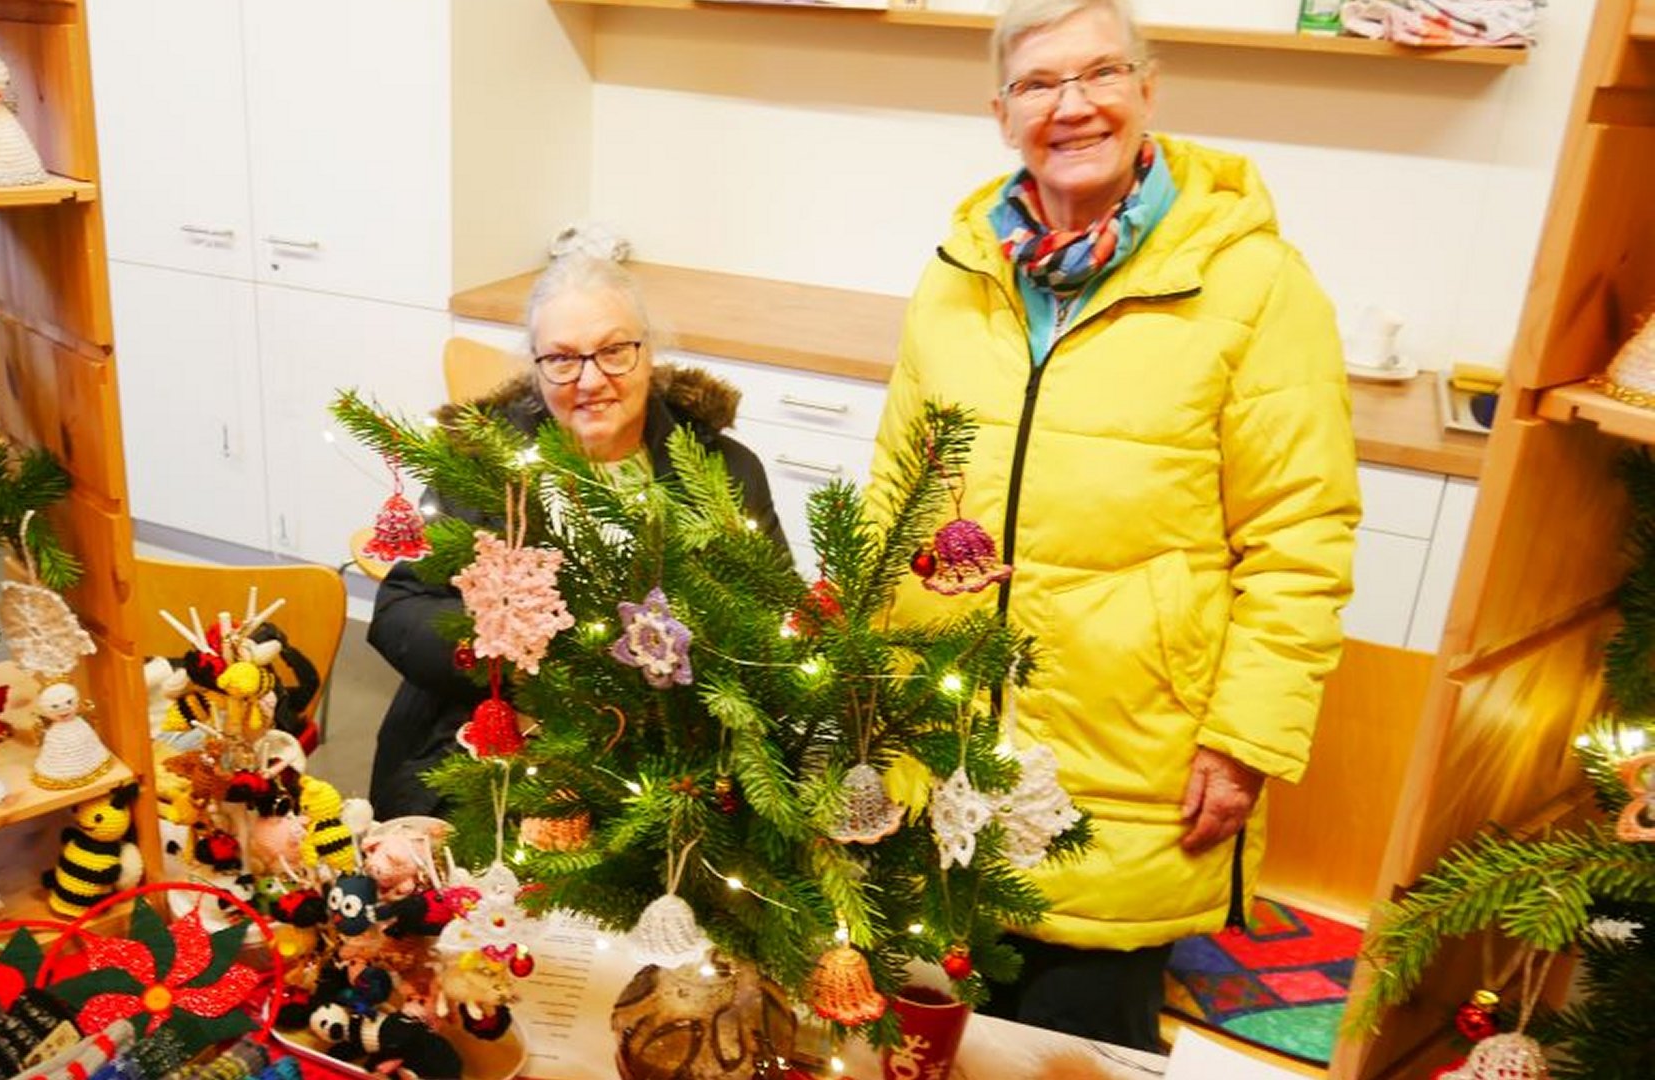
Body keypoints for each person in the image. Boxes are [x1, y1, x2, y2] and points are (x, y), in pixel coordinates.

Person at [866, 0, 1360, 1051]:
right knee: (924, 1040)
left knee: (1075, 1052)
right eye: (1040, 83)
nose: (1073, 105)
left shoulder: (1255, 283)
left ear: (1148, 89)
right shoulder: (958, 273)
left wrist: (1245, 740)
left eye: (1101, 74)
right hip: (943, 750)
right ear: (1002, 113)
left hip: (1133, 758)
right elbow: (896, 493)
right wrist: (864, 690)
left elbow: (1301, 536)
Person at [367, 254, 786, 818]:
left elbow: (772, 626)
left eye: (614, 351)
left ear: (648, 352)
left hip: (664, 766)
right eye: (562, 359)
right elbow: (400, 609)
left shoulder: (724, 470)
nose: (590, 380)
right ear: (536, 369)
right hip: (489, 747)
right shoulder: (484, 464)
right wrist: (499, 650)